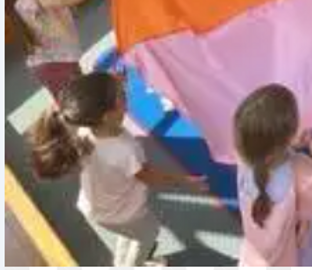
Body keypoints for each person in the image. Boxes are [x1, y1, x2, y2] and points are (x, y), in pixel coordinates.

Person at [28, 72, 207, 266]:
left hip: (96, 205)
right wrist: (184, 180)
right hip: (124, 212)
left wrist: (112, 83)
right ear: (106, 116)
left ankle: (121, 261)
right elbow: (149, 176)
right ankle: (131, 265)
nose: (126, 94)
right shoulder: (126, 150)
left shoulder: (83, 130)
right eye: (121, 95)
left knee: (129, 233)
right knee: (147, 236)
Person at [234, 84, 312, 266]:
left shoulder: (241, 154)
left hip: (255, 251)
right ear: (291, 134)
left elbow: (266, 155)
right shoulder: (305, 175)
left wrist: (287, 146)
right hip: (291, 252)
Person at [6, 0, 107, 100]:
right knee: (74, 100)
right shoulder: (23, 3)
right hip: (52, 65)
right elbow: (64, 0)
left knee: (81, 89)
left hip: (65, 56)